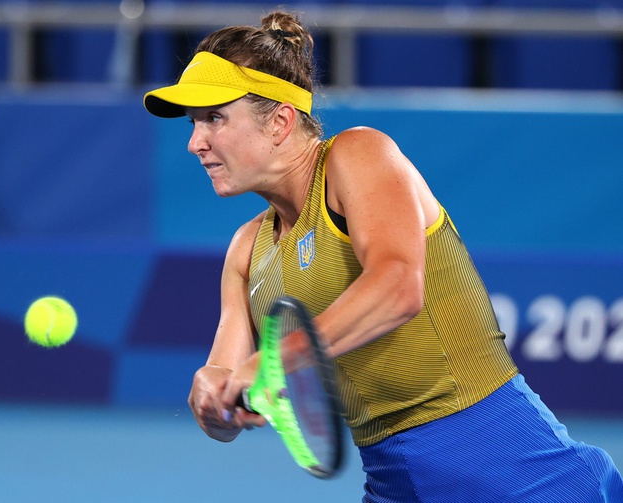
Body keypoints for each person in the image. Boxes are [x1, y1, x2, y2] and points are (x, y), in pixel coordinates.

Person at [143, 10, 623, 502]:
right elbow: (227, 381)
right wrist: (215, 400)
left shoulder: (357, 155)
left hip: (519, 474)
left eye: (215, 118)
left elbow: (397, 288)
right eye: (193, 123)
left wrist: (274, 360)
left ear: (281, 121)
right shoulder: (246, 251)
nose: (195, 142)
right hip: (396, 483)